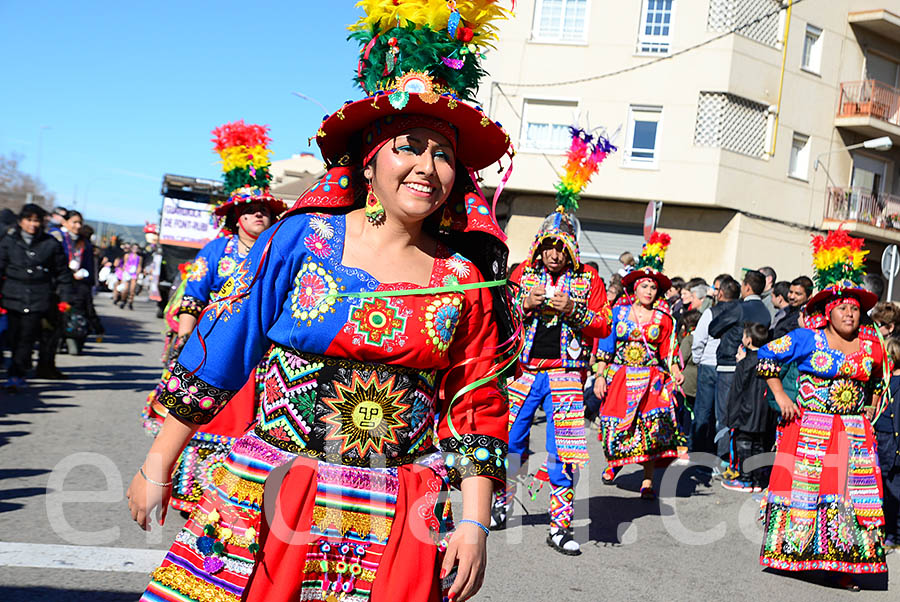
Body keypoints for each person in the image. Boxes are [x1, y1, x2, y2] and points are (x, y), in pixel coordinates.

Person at [128, 3, 515, 601]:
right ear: (368, 157)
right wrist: (158, 463)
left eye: (443, 154)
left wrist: (472, 521)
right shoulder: (302, 240)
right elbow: (225, 346)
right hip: (274, 491)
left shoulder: (465, 278)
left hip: (401, 510)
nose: (427, 167)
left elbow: (477, 402)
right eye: (408, 147)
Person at [140, 120, 287, 516]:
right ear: (236, 215)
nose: (260, 215)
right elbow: (193, 296)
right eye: (252, 210)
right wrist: (185, 343)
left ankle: (246, 492)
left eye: (266, 211)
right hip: (214, 345)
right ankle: (192, 492)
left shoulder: (278, 251)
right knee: (205, 416)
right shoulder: (216, 250)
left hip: (261, 352)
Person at [499, 129, 613, 554]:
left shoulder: (590, 281)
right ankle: (500, 502)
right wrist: (523, 307)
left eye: (561, 249)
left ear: (571, 251)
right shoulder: (518, 276)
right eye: (548, 248)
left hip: (565, 377)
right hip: (523, 372)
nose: (554, 256)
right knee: (507, 441)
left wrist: (573, 311)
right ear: (540, 247)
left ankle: (560, 526)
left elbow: (604, 327)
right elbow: (498, 322)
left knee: (562, 454)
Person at [758, 229, 889, 585]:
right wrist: (782, 398)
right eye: (843, 307)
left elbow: (879, 381)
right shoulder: (805, 338)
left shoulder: (870, 346)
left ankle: (848, 563)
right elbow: (766, 357)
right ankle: (798, 551)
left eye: (856, 309)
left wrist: (869, 411)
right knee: (808, 492)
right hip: (810, 428)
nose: (851, 313)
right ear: (829, 311)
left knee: (851, 494)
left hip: (852, 432)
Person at [595, 232, 683, 499]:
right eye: (644, 286)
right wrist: (600, 375)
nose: (648, 291)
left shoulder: (663, 318)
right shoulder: (618, 313)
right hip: (619, 376)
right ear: (635, 288)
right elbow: (605, 347)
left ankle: (647, 480)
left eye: (653, 287)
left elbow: (670, 350)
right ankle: (615, 463)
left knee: (651, 428)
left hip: (651, 379)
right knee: (616, 426)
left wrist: (676, 371)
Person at [0, 204, 73, 390]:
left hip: (39, 298)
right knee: (14, 336)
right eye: (29, 220)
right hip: (12, 296)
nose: (32, 224)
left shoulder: (50, 244)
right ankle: (17, 368)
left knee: (27, 336)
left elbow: (63, 273)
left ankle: (16, 374)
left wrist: (64, 298)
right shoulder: (9, 242)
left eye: (36, 220)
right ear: (21, 221)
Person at [709, 272, 770, 467]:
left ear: (747, 288)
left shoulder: (739, 308)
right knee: (745, 413)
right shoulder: (766, 311)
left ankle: (724, 458)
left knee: (726, 413)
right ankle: (743, 463)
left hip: (730, 363)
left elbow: (714, 328)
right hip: (754, 365)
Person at [720, 323, 771, 493]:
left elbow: (737, 391)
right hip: (762, 412)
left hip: (745, 411)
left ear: (748, 341)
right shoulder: (768, 361)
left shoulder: (745, 363)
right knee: (758, 445)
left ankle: (745, 478)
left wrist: (731, 415)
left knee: (744, 444)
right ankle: (757, 480)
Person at [875, 336, 900, 549]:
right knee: (883, 485)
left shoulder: (895, 383)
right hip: (881, 436)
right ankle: (887, 530)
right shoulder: (883, 381)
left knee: (892, 486)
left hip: (891, 439)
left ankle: (893, 533)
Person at [59, 210, 95, 354]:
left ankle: (75, 339)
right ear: (65, 222)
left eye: (80, 222)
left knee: (78, 312)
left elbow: (89, 265)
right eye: (74, 222)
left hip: (80, 285)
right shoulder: (58, 239)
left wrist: (88, 279)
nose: (77, 225)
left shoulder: (84, 243)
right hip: (62, 283)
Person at [677, 309, 701, 454]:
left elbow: (681, 358)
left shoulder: (689, 339)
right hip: (700, 378)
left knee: (686, 411)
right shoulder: (704, 336)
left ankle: (685, 439)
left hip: (687, 380)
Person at [771, 276, 812, 340]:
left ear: (809, 296)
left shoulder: (807, 316)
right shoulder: (786, 310)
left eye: (798, 294)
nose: (792, 297)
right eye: (790, 292)